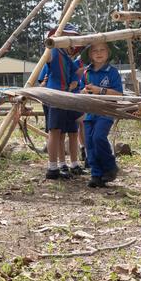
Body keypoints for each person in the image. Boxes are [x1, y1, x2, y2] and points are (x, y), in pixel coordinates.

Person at [43, 24, 83, 179]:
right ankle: (52, 167)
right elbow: (46, 58)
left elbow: (75, 73)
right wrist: (50, 43)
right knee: (55, 131)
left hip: (66, 97)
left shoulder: (67, 57)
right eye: (65, 36)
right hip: (55, 96)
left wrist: (75, 79)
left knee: (63, 132)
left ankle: (63, 165)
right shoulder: (53, 51)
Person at [80, 42, 123, 188]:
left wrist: (100, 90)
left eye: (102, 50)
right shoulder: (86, 73)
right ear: (90, 55)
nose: (99, 53)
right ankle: (96, 174)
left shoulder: (112, 72)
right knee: (89, 143)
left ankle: (110, 166)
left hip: (105, 110)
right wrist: (84, 92)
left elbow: (118, 94)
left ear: (108, 52)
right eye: (95, 50)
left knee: (98, 137)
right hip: (89, 112)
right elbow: (79, 92)